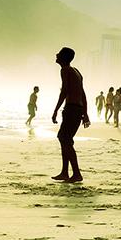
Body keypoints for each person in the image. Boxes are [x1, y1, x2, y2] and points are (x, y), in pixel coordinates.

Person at [51, 47, 90, 183]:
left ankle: (76, 174)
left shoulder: (65, 70)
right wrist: (85, 113)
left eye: (59, 54)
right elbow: (83, 94)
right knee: (65, 139)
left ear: (63, 58)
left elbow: (65, 91)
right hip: (76, 109)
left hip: (72, 109)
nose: (56, 54)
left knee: (64, 138)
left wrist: (56, 110)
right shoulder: (76, 71)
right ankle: (65, 172)